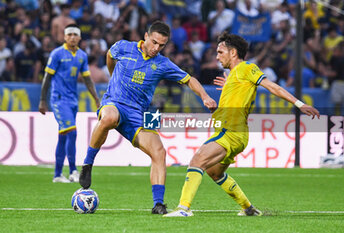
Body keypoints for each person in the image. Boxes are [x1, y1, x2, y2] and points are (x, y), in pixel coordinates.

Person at [164, 32, 320, 217]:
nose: (216, 56)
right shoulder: (234, 76)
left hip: (230, 132)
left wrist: (299, 104)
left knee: (197, 160)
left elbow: (273, 87)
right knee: (214, 172)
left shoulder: (247, 68)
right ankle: (248, 208)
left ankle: (183, 208)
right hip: (235, 134)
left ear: (233, 53)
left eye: (220, 52)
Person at [79, 21, 217, 214]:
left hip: (140, 113)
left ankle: (158, 204)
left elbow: (189, 79)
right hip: (114, 103)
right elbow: (110, 55)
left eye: (161, 45)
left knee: (159, 153)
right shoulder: (123, 47)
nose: (156, 48)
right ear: (145, 36)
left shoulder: (162, 63)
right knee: (109, 117)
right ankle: (87, 164)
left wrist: (205, 96)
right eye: (154, 42)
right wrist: (112, 76)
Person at [39, 24, 100, 183]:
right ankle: (73, 171)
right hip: (58, 99)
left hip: (73, 100)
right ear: (64, 37)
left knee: (63, 137)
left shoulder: (82, 55)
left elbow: (87, 78)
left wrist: (96, 97)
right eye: (69, 34)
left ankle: (58, 175)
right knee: (72, 132)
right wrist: (42, 100)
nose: (72, 37)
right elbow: (47, 77)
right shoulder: (57, 54)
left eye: (75, 34)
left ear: (79, 37)